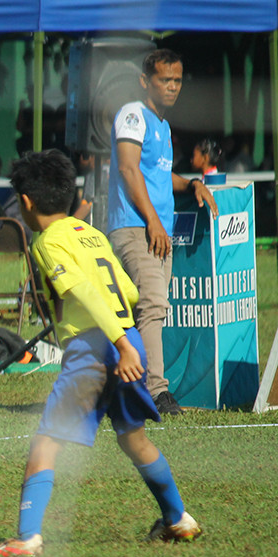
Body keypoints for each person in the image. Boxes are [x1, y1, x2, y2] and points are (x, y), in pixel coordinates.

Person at [0, 150, 201, 557]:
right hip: (128, 339)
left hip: (96, 347)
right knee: (133, 437)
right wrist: (127, 340)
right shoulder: (91, 233)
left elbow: (81, 291)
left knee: (46, 443)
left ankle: (27, 537)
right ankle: (178, 518)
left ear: (26, 202)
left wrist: (117, 344)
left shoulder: (46, 242)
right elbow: (132, 291)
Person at [106, 49, 217, 417]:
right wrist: (153, 220)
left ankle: (120, 387)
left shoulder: (162, 126)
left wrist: (191, 185)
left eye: (177, 80)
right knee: (152, 306)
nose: (171, 87)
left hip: (154, 229)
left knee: (142, 311)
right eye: (163, 80)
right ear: (144, 81)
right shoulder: (133, 115)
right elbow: (128, 168)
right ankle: (156, 392)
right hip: (137, 228)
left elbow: (156, 174)